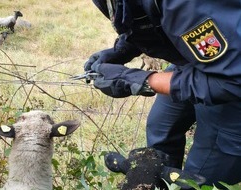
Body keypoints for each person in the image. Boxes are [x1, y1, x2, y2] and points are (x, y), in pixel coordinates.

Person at [85, 0, 241, 187]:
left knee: (197, 180)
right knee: (160, 130)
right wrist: (123, 49)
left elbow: (232, 81)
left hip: (231, 81)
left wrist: (142, 81)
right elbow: (148, 15)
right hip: (206, 62)